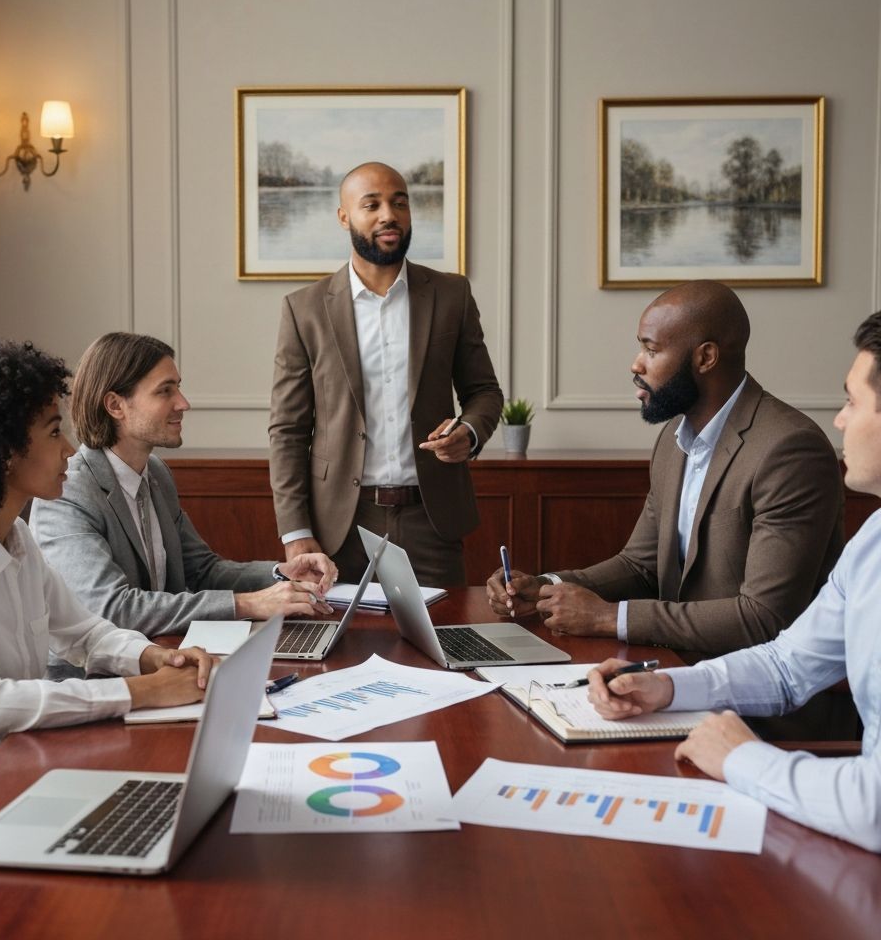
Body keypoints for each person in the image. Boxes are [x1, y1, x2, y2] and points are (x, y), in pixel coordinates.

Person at [0, 335, 215, 855]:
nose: (71, 451)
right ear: (4, 452)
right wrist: (143, 692)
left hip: (5, 774)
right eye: (55, 432)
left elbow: (85, 633)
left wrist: (152, 656)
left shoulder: (18, 538)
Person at [585, 311, 881, 854]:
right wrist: (668, 688)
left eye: (852, 402)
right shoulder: (875, 540)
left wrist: (741, 756)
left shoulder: (788, 446)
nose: (839, 421)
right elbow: (786, 663)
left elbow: (874, 809)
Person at [488, 280, 844, 657]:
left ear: (705, 358)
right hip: (678, 668)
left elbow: (763, 617)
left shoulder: (790, 451)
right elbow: (640, 565)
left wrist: (610, 618)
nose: (636, 363)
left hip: (760, 702)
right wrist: (546, 586)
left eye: (651, 349)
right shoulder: (674, 436)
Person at [269, 161, 503, 586]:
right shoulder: (304, 309)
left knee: (443, 645)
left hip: (431, 520)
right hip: (339, 526)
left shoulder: (451, 295)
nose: (388, 215)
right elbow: (287, 429)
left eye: (399, 203)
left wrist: (468, 432)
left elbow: (485, 392)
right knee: (335, 648)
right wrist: (296, 531)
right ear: (345, 217)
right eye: (371, 204)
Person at [31, 332, 336, 643]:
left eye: (178, 387)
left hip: (164, 656)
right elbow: (112, 609)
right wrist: (248, 603)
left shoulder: (157, 474)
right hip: (92, 680)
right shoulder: (70, 490)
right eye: (165, 391)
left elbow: (203, 571)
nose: (183, 403)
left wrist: (282, 573)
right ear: (115, 405)